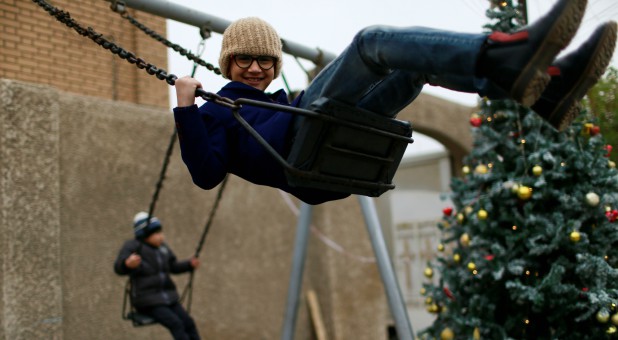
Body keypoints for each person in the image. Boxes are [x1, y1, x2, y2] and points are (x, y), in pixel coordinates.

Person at [173, 0, 617, 205]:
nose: (255, 68)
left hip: (323, 135)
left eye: (266, 60)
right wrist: (185, 109)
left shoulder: (275, 102)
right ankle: (505, 52)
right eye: (244, 60)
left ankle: (546, 90)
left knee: (412, 68)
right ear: (227, 63)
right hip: (301, 143)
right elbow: (206, 176)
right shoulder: (217, 109)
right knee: (371, 43)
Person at [114, 212, 201, 340]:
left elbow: (173, 267)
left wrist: (189, 264)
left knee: (188, 322)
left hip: (168, 298)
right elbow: (118, 267)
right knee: (176, 324)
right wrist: (127, 264)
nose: (161, 237)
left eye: (161, 232)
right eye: (156, 233)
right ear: (144, 235)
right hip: (148, 300)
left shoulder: (163, 249)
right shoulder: (133, 246)